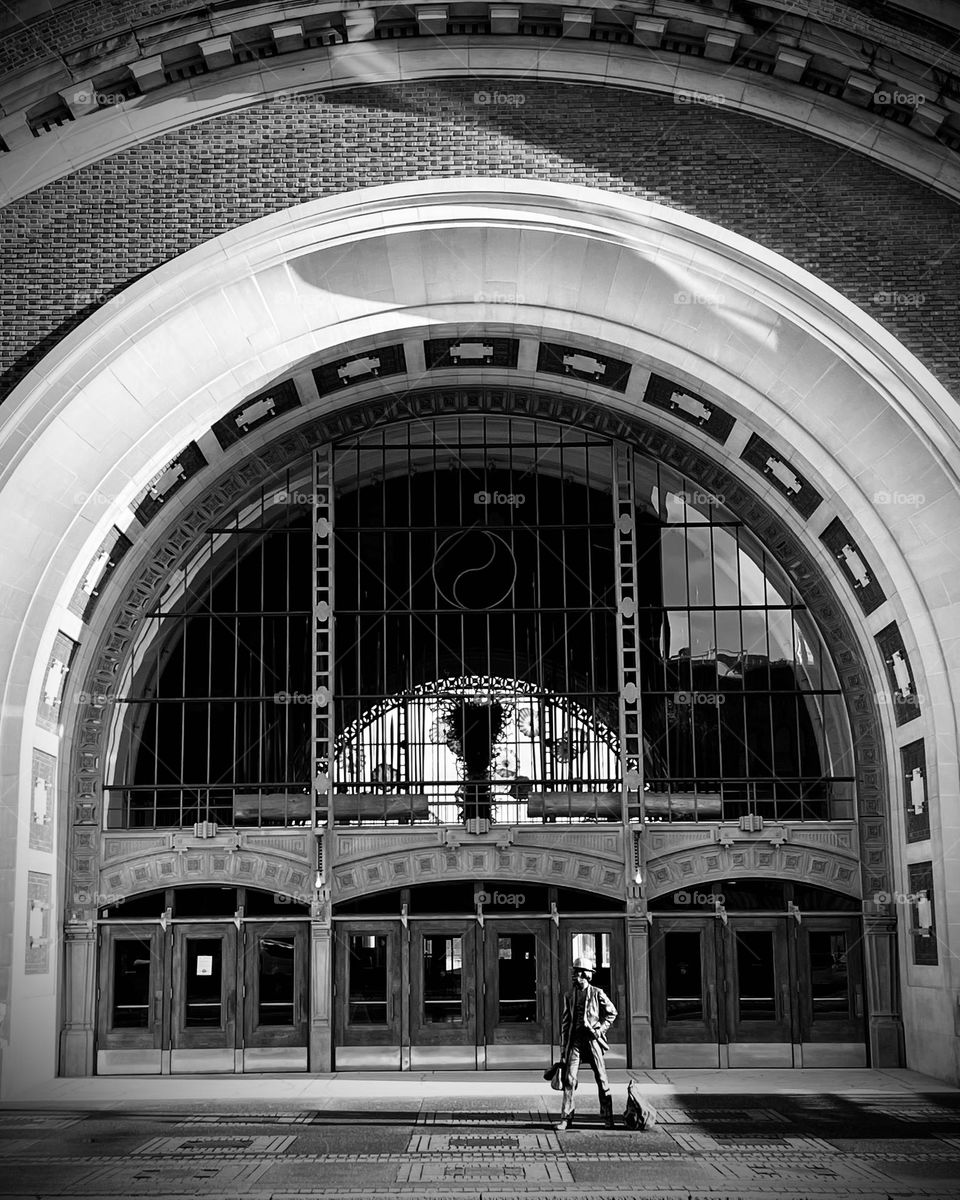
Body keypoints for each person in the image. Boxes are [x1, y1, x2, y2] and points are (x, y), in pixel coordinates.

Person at [556, 955, 618, 1131]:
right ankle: (566, 1118)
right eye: (574, 972)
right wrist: (563, 1049)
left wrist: (599, 1031)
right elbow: (565, 1023)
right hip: (575, 1042)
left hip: (592, 1041)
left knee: (601, 1078)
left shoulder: (597, 993)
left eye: (577, 972)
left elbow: (612, 1013)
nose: (574, 976)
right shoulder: (569, 996)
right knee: (569, 1079)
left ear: (586, 975)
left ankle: (607, 1117)